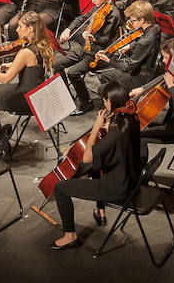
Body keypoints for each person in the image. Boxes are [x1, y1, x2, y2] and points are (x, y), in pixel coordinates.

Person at [50, 80, 142, 250]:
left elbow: (86, 157)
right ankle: (101, 210)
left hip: (117, 187)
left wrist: (96, 128)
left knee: (60, 188)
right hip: (133, 178)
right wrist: (107, 128)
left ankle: (70, 236)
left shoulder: (117, 131)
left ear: (109, 102)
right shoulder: (131, 117)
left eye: (104, 100)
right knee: (96, 165)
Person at [0, 11, 55, 136]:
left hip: (26, 98)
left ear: (31, 28)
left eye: (20, 26)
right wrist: (11, 65)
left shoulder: (25, 52)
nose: (16, 30)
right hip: (36, 93)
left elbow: (6, 79)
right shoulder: (41, 44)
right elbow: (33, 67)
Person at [55, 0, 122, 115]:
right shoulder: (98, 6)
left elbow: (105, 39)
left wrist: (92, 37)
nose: (92, 1)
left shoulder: (113, 14)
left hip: (99, 53)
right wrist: (69, 29)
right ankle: (67, 98)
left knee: (73, 73)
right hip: (87, 47)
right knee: (56, 64)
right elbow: (82, 18)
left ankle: (86, 104)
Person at [93, 0, 162, 90]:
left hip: (140, 75)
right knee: (104, 76)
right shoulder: (155, 27)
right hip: (146, 67)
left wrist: (109, 60)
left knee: (102, 89)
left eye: (132, 20)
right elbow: (142, 39)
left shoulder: (144, 42)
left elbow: (127, 67)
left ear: (142, 20)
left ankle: (118, 99)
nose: (131, 23)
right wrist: (130, 46)